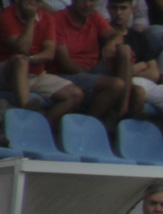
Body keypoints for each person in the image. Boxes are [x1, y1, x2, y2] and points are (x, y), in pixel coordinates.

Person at [0, 0, 84, 128]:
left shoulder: (48, 18)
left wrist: (31, 59)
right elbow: (23, 48)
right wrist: (30, 20)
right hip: (7, 72)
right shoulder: (5, 16)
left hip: (35, 73)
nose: (33, 3)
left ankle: (41, 128)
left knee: (75, 94)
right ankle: (25, 108)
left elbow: (49, 53)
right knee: (20, 60)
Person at [51, 0, 132, 118]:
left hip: (92, 69)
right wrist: (90, 76)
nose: (88, 4)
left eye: (92, 1)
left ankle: (123, 110)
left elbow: (117, 35)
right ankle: (89, 120)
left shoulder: (94, 16)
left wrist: (111, 42)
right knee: (116, 85)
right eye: (83, 1)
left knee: (124, 50)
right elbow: (64, 63)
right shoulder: (57, 19)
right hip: (68, 74)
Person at [106, 0, 163, 112]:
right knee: (139, 92)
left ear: (132, 10)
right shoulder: (104, 35)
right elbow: (111, 72)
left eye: (123, 8)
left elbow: (154, 74)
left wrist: (127, 70)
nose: (119, 13)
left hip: (145, 82)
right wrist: (141, 66)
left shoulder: (138, 37)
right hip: (119, 84)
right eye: (114, 8)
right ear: (108, 9)